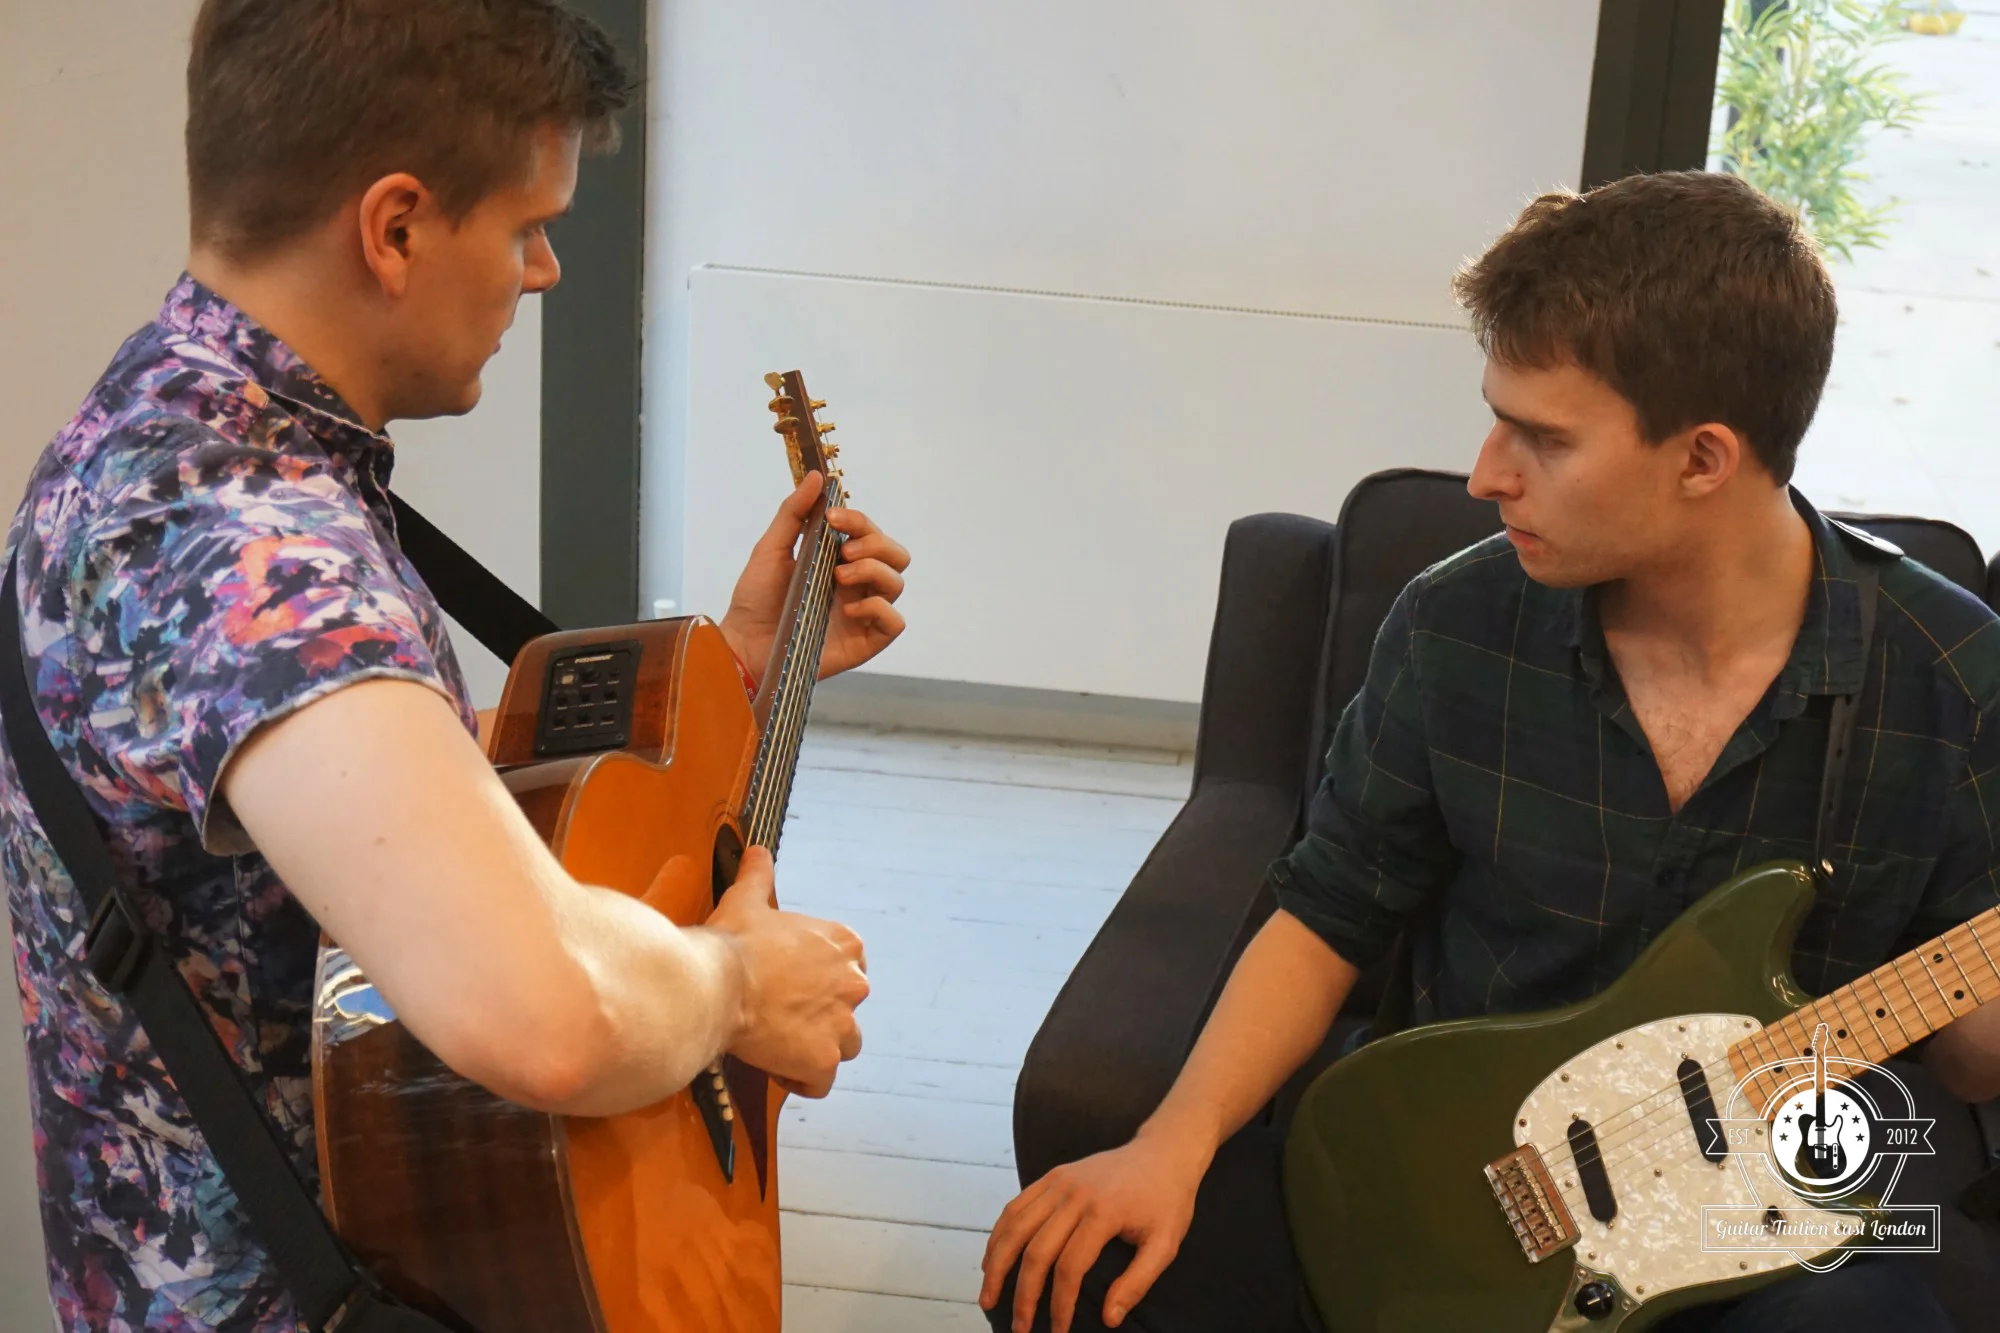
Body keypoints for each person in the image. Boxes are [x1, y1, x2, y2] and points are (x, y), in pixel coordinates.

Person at [0, 2, 910, 1329]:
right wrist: (738, 983)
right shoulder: (250, 546)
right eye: (528, 226)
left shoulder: (178, 419)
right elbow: (540, 1014)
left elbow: (371, 790)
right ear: (397, 228)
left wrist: (738, 671)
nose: (545, 271)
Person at [980, 170, 2000, 1333]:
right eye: (1496, 415)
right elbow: (1327, 911)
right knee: (1071, 1278)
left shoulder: (1950, 677)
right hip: (1443, 1171)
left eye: (1542, 438)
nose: (1485, 474)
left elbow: (1971, 1065)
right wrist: (1170, 1143)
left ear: (1702, 458)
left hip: (1753, 1236)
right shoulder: (1455, 621)